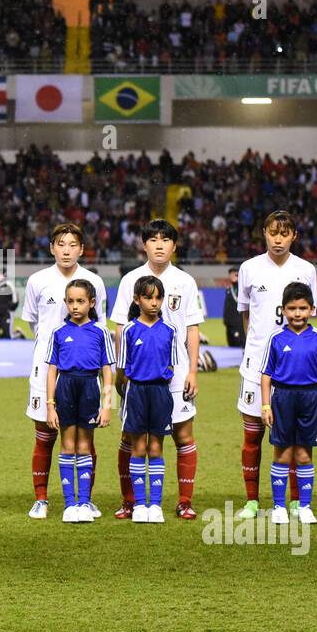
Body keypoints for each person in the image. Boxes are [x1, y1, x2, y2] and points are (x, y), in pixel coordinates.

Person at [109, 219, 202, 521]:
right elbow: (120, 329)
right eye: (153, 239)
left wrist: (192, 372)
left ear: (175, 246)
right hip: (138, 375)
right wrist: (122, 373)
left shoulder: (185, 282)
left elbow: (191, 328)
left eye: (165, 239)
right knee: (130, 437)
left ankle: (184, 501)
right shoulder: (130, 280)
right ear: (144, 244)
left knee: (182, 436)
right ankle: (129, 501)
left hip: (175, 374)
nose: (159, 244)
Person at [234, 211, 317, 520]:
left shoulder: (306, 270)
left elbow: (307, 316)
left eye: (284, 233)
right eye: (272, 233)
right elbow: (246, 315)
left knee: (293, 436)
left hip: (294, 369)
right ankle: (253, 500)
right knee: (252, 435)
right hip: (256, 367)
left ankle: (294, 501)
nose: (278, 239)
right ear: (264, 234)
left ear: (294, 235)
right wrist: (257, 347)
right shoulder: (249, 268)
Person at [22, 224, 108, 519]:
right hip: (46, 367)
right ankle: (41, 499)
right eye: (61, 244)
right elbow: (35, 325)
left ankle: (86, 498)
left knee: (86, 435)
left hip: (83, 372)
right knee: (45, 433)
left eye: (73, 244)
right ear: (52, 248)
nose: (67, 250)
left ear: (82, 249)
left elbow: (100, 327)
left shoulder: (93, 281)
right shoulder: (37, 281)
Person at [259, 282, 317, 526]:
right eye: (292, 308)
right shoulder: (276, 338)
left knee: (303, 454)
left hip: (311, 398)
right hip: (283, 399)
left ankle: (305, 506)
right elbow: (266, 374)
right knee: (282, 453)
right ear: (283, 310)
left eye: (302, 308)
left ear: (312, 308)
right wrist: (266, 405)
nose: (297, 313)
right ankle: (279, 506)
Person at [45, 279, 115, 523]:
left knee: (85, 445)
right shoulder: (58, 333)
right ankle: (69, 504)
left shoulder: (100, 332)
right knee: (67, 445)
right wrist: (50, 405)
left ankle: (84, 501)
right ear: (65, 303)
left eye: (80, 301)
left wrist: (107, 406)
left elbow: (107, 371)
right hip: (65, 387)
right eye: (71, 301)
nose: (75, 306)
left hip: (89, 388)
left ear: (91, 303)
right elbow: (52, 370)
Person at [116, 275, 181, 524]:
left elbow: (172, 366)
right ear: (137, 299)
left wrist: (159, 379)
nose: (154, 303)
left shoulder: (170, 331)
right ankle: (139, 504)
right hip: (136, 392)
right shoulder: (130, 330)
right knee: (138, 447)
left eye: (158, 298)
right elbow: (122, 368)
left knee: (156, 447)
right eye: (148, 297)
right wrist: (127, 390)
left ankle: (155, 504)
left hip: (160, 393)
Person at [222, 267, 244, 347]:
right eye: (230, 274)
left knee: (239, 343)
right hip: (229, 323)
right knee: (231, 343)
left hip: (238, 322)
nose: (232, 276)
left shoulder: (242, 289)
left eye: (235, 274)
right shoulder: (228, 290)